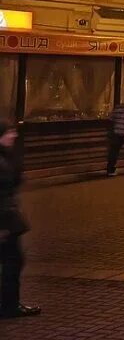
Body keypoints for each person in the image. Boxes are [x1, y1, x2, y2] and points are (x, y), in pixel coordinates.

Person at [0, 121, 38, 320]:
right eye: (9, 132)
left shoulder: (7, 156)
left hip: (9, 219)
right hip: (5, 220)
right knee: (13, 261)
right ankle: (9, 306)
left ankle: (9, 304)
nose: (14, 135)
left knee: (13, 261)